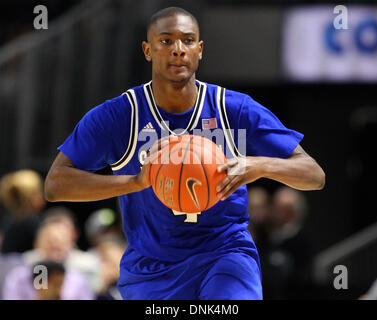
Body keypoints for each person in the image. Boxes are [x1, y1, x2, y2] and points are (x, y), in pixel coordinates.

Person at [44, 7, 325, 300]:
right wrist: (135, 182)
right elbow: (55, 185)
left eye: (188, 40)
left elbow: (313, 174)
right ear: (147, 50)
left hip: (224, 253)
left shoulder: (235, 109)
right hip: (151, 265)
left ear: (200, 49)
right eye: (166, 41)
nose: (178, 50)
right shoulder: (118, 116)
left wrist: (259, 165)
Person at [0, 170, 45, 254]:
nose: (42, 196)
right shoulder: (31, 222)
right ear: (29, 197)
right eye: (38, 192)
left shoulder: (9, 219)